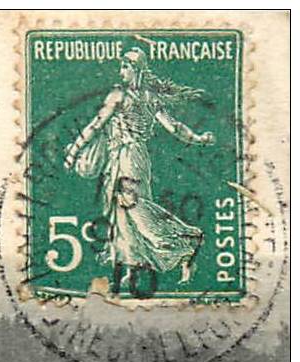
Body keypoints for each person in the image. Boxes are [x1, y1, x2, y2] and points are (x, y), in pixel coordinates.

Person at [62, 47, 215, 292]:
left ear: (136, 70)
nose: (121, 71)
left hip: (126, 157)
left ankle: (187, 239)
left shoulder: (118, 95)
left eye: (125, 66)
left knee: (132, 208)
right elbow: (174, 127)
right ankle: (132, 266)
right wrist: (198, 138)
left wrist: (74, 151)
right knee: (123, 215)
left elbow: (96, 124)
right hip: (136, 158)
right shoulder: (151, 97)